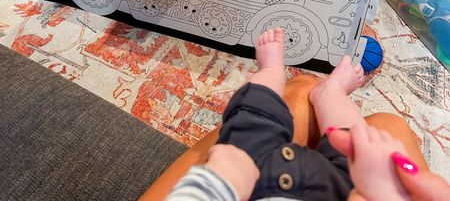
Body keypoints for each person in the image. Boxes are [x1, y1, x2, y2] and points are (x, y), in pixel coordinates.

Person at [143, 28, 433, 200]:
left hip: (241, 179)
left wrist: (224, 174)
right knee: (360, 141)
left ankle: (271, 72)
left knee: (255, 116)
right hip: (336, 191)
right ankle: (329, 94)